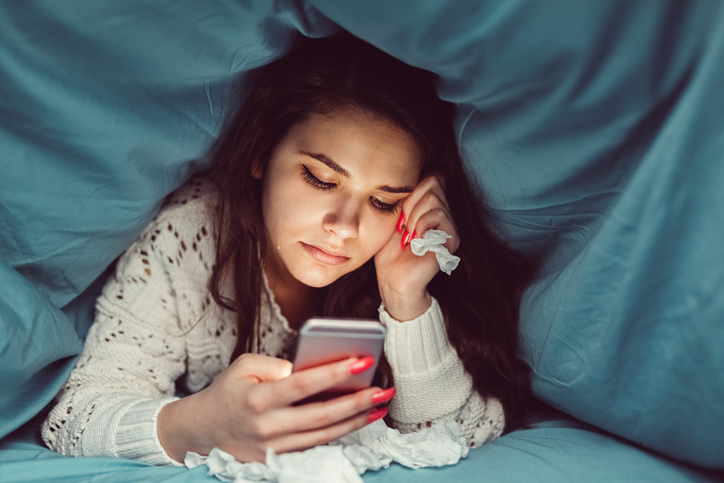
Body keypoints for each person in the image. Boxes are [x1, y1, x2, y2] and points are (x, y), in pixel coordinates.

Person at [41, 32, 537, 466]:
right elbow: (73, 416)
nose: (343, 227)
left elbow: (458, 435)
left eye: (384, 201)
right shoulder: (191, 235)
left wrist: (407, 301)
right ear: (261, 152)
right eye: (320, 179)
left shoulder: (399, 259)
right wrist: (196, 424)